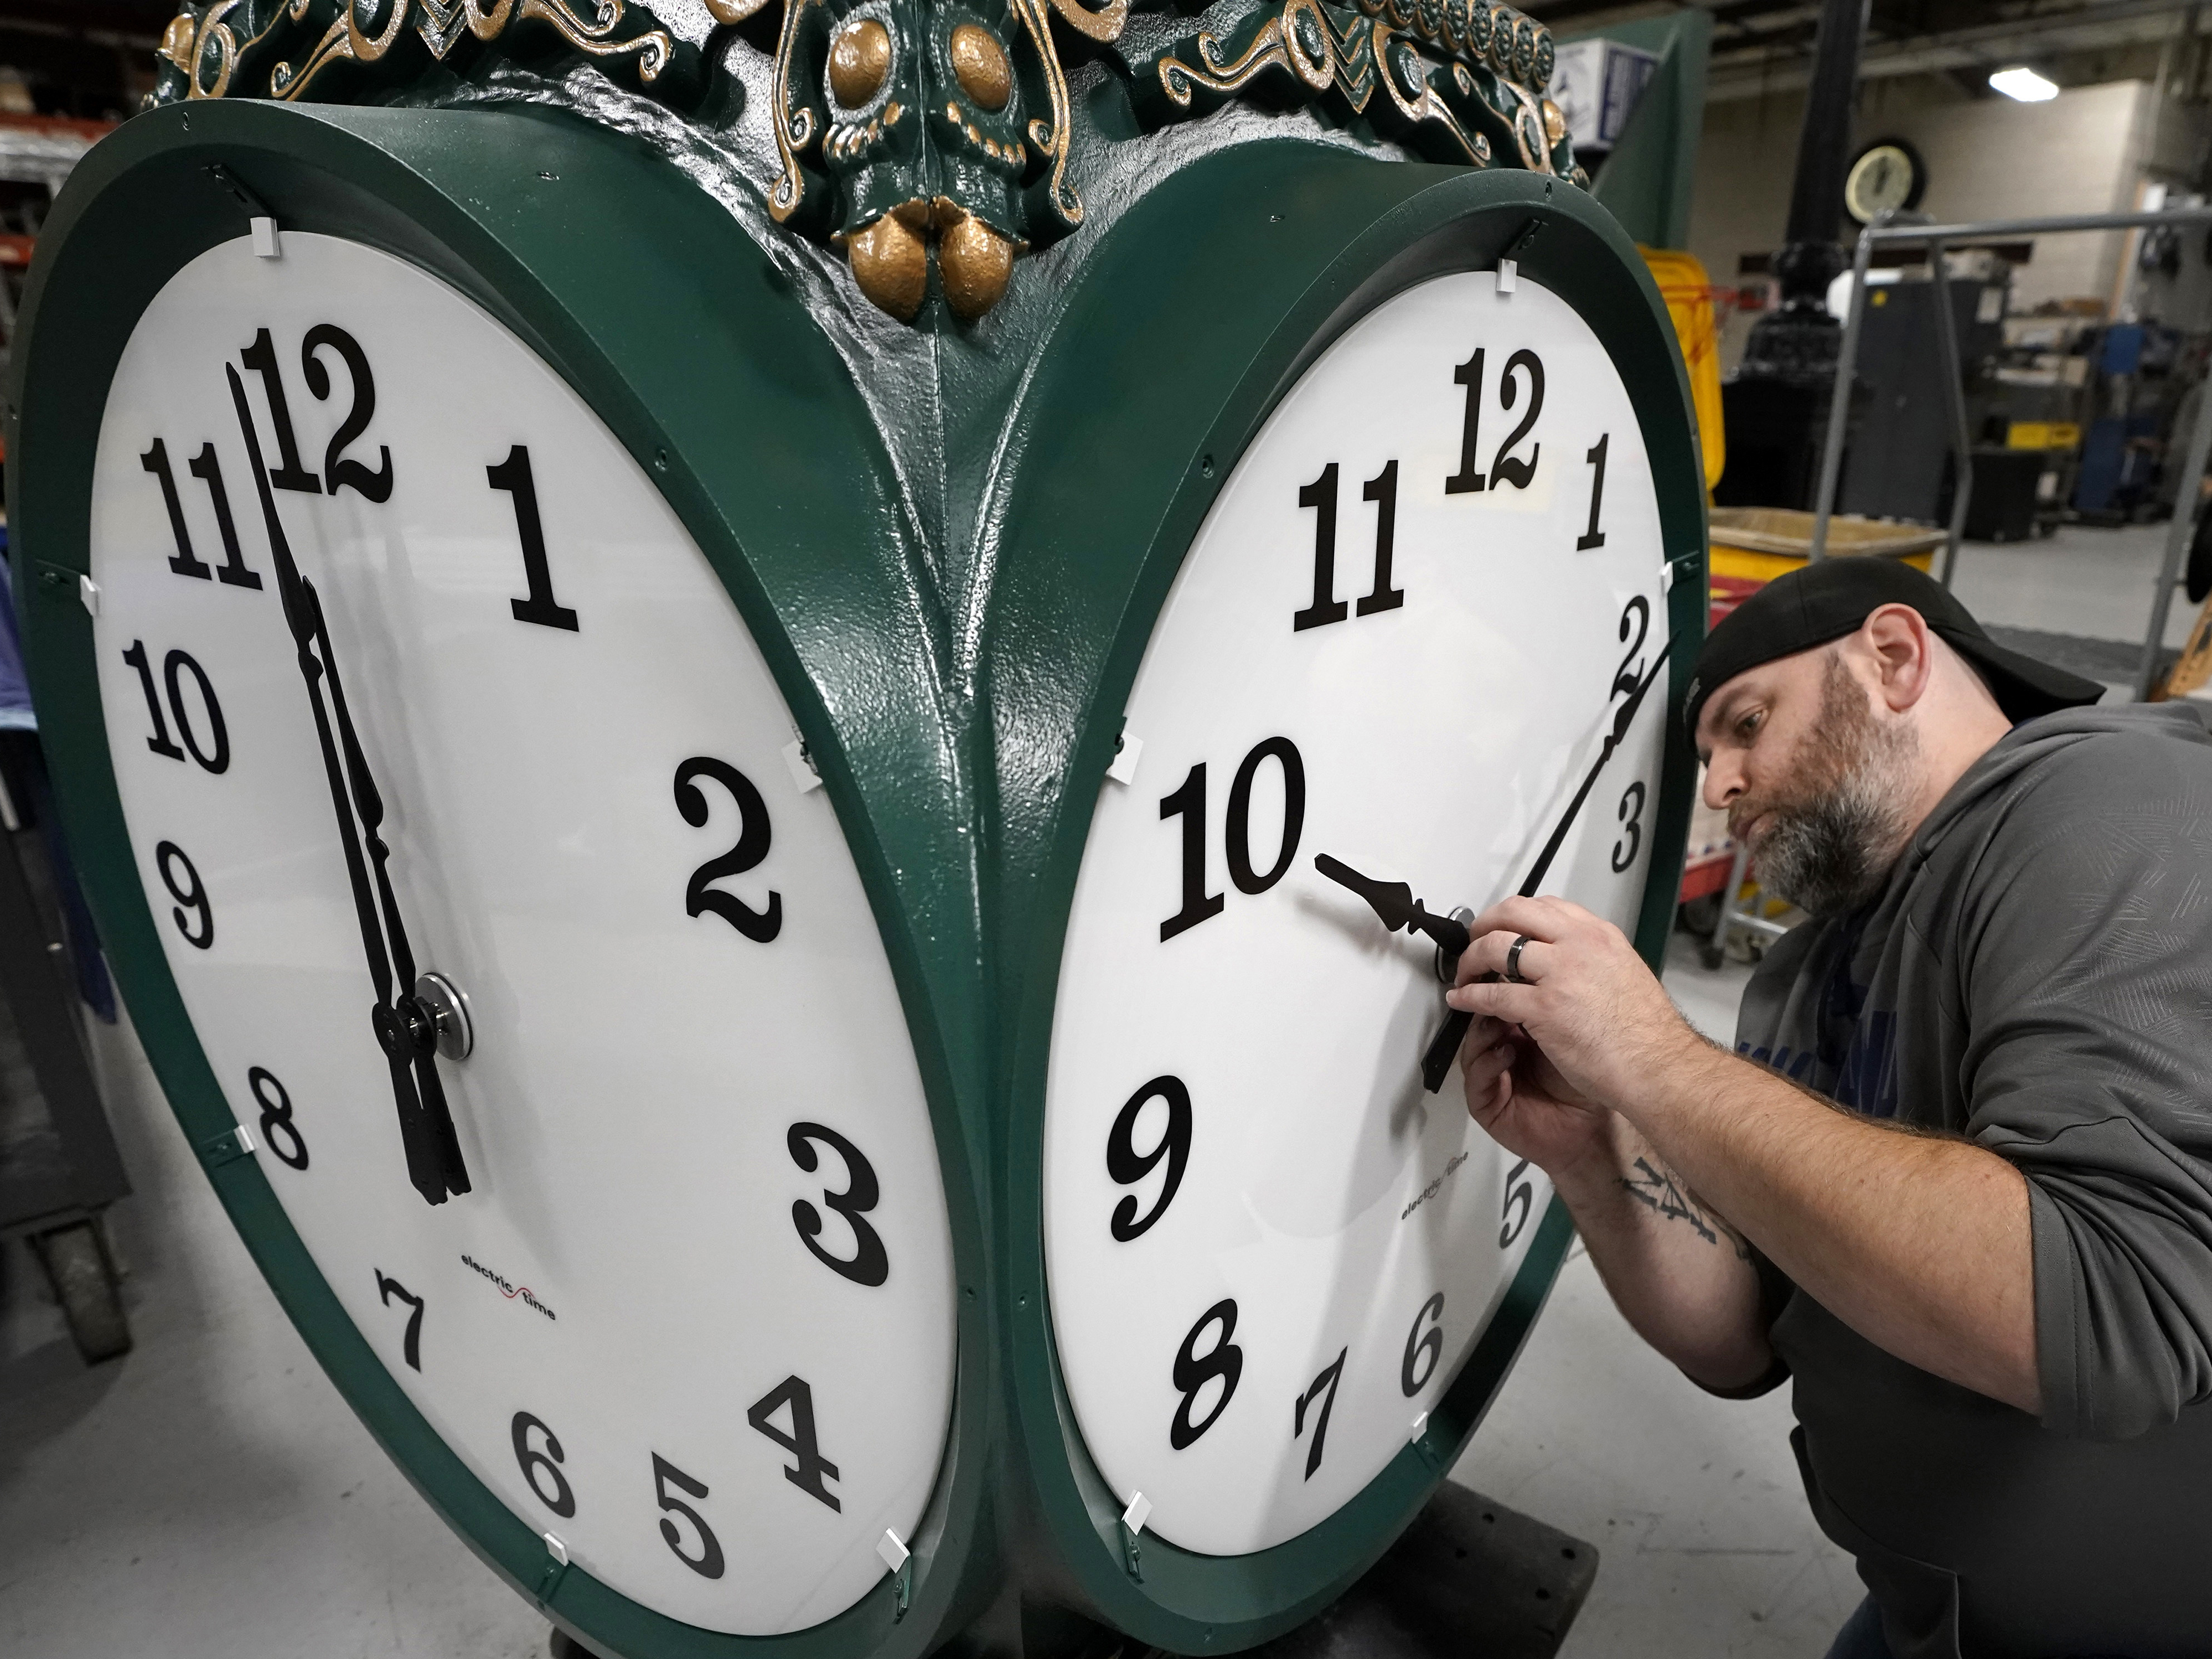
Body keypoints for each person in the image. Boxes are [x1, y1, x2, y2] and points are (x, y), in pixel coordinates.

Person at [1448, 557, 2212, 1659]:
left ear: (1892, 657)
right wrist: (1592, 1149)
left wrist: (1652, 1051)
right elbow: (1748, 1337)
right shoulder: (1806, 974)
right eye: (1709, 755)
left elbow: (2107, 1306)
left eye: (1746, 724)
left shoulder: (2099, 805)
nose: (1718, 785)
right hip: (1922, 1614)